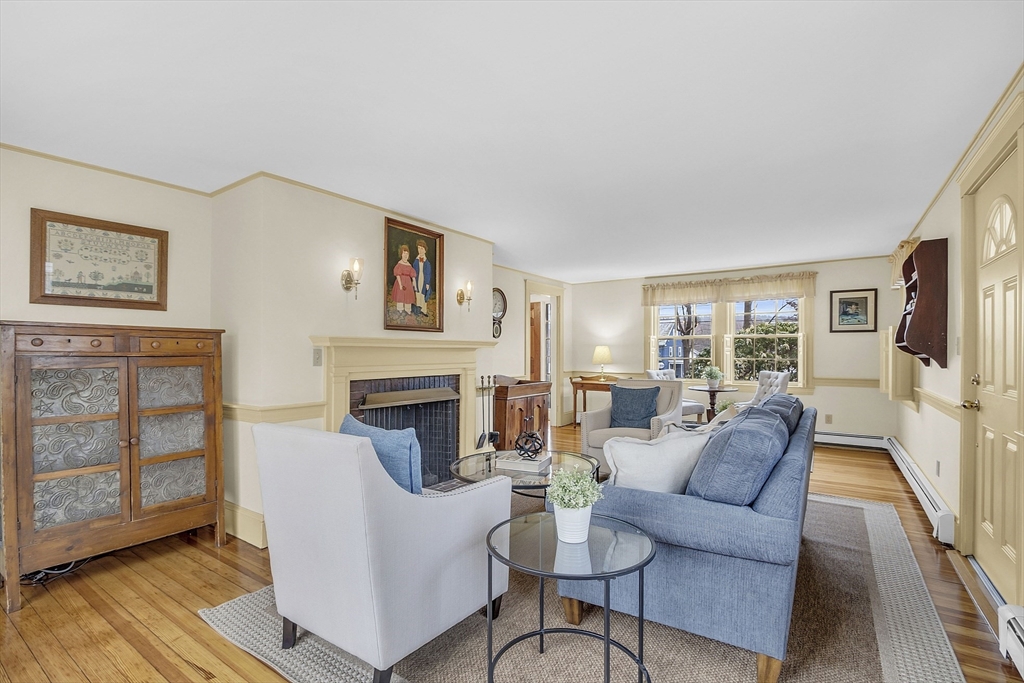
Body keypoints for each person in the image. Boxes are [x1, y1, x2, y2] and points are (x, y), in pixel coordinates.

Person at [391, 245, 416, 314]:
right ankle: (400, 308)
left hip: (408, 282)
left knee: (408, 295)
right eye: (404, 253)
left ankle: (408, 308)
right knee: (400, 294)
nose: (405, 255)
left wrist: (414, 282)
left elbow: (412, 274)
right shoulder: (399, 264)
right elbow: (397, 274)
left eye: (407, 254)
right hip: (401, 281)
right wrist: (400, 284)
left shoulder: (409, 265)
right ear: (401, 254)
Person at [412, 239, 432, 316]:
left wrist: (427, 283)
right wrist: (413, 280)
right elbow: (413, 271)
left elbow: (428, 273)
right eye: (419, 248)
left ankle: (424, 310)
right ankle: (418, 308)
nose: (420, 250)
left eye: (422, 248)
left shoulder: (427, 262)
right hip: (417, 279)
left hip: (423, 279)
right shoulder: (416, 260)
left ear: (425, 250)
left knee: (424, 294)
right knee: (418, 292)